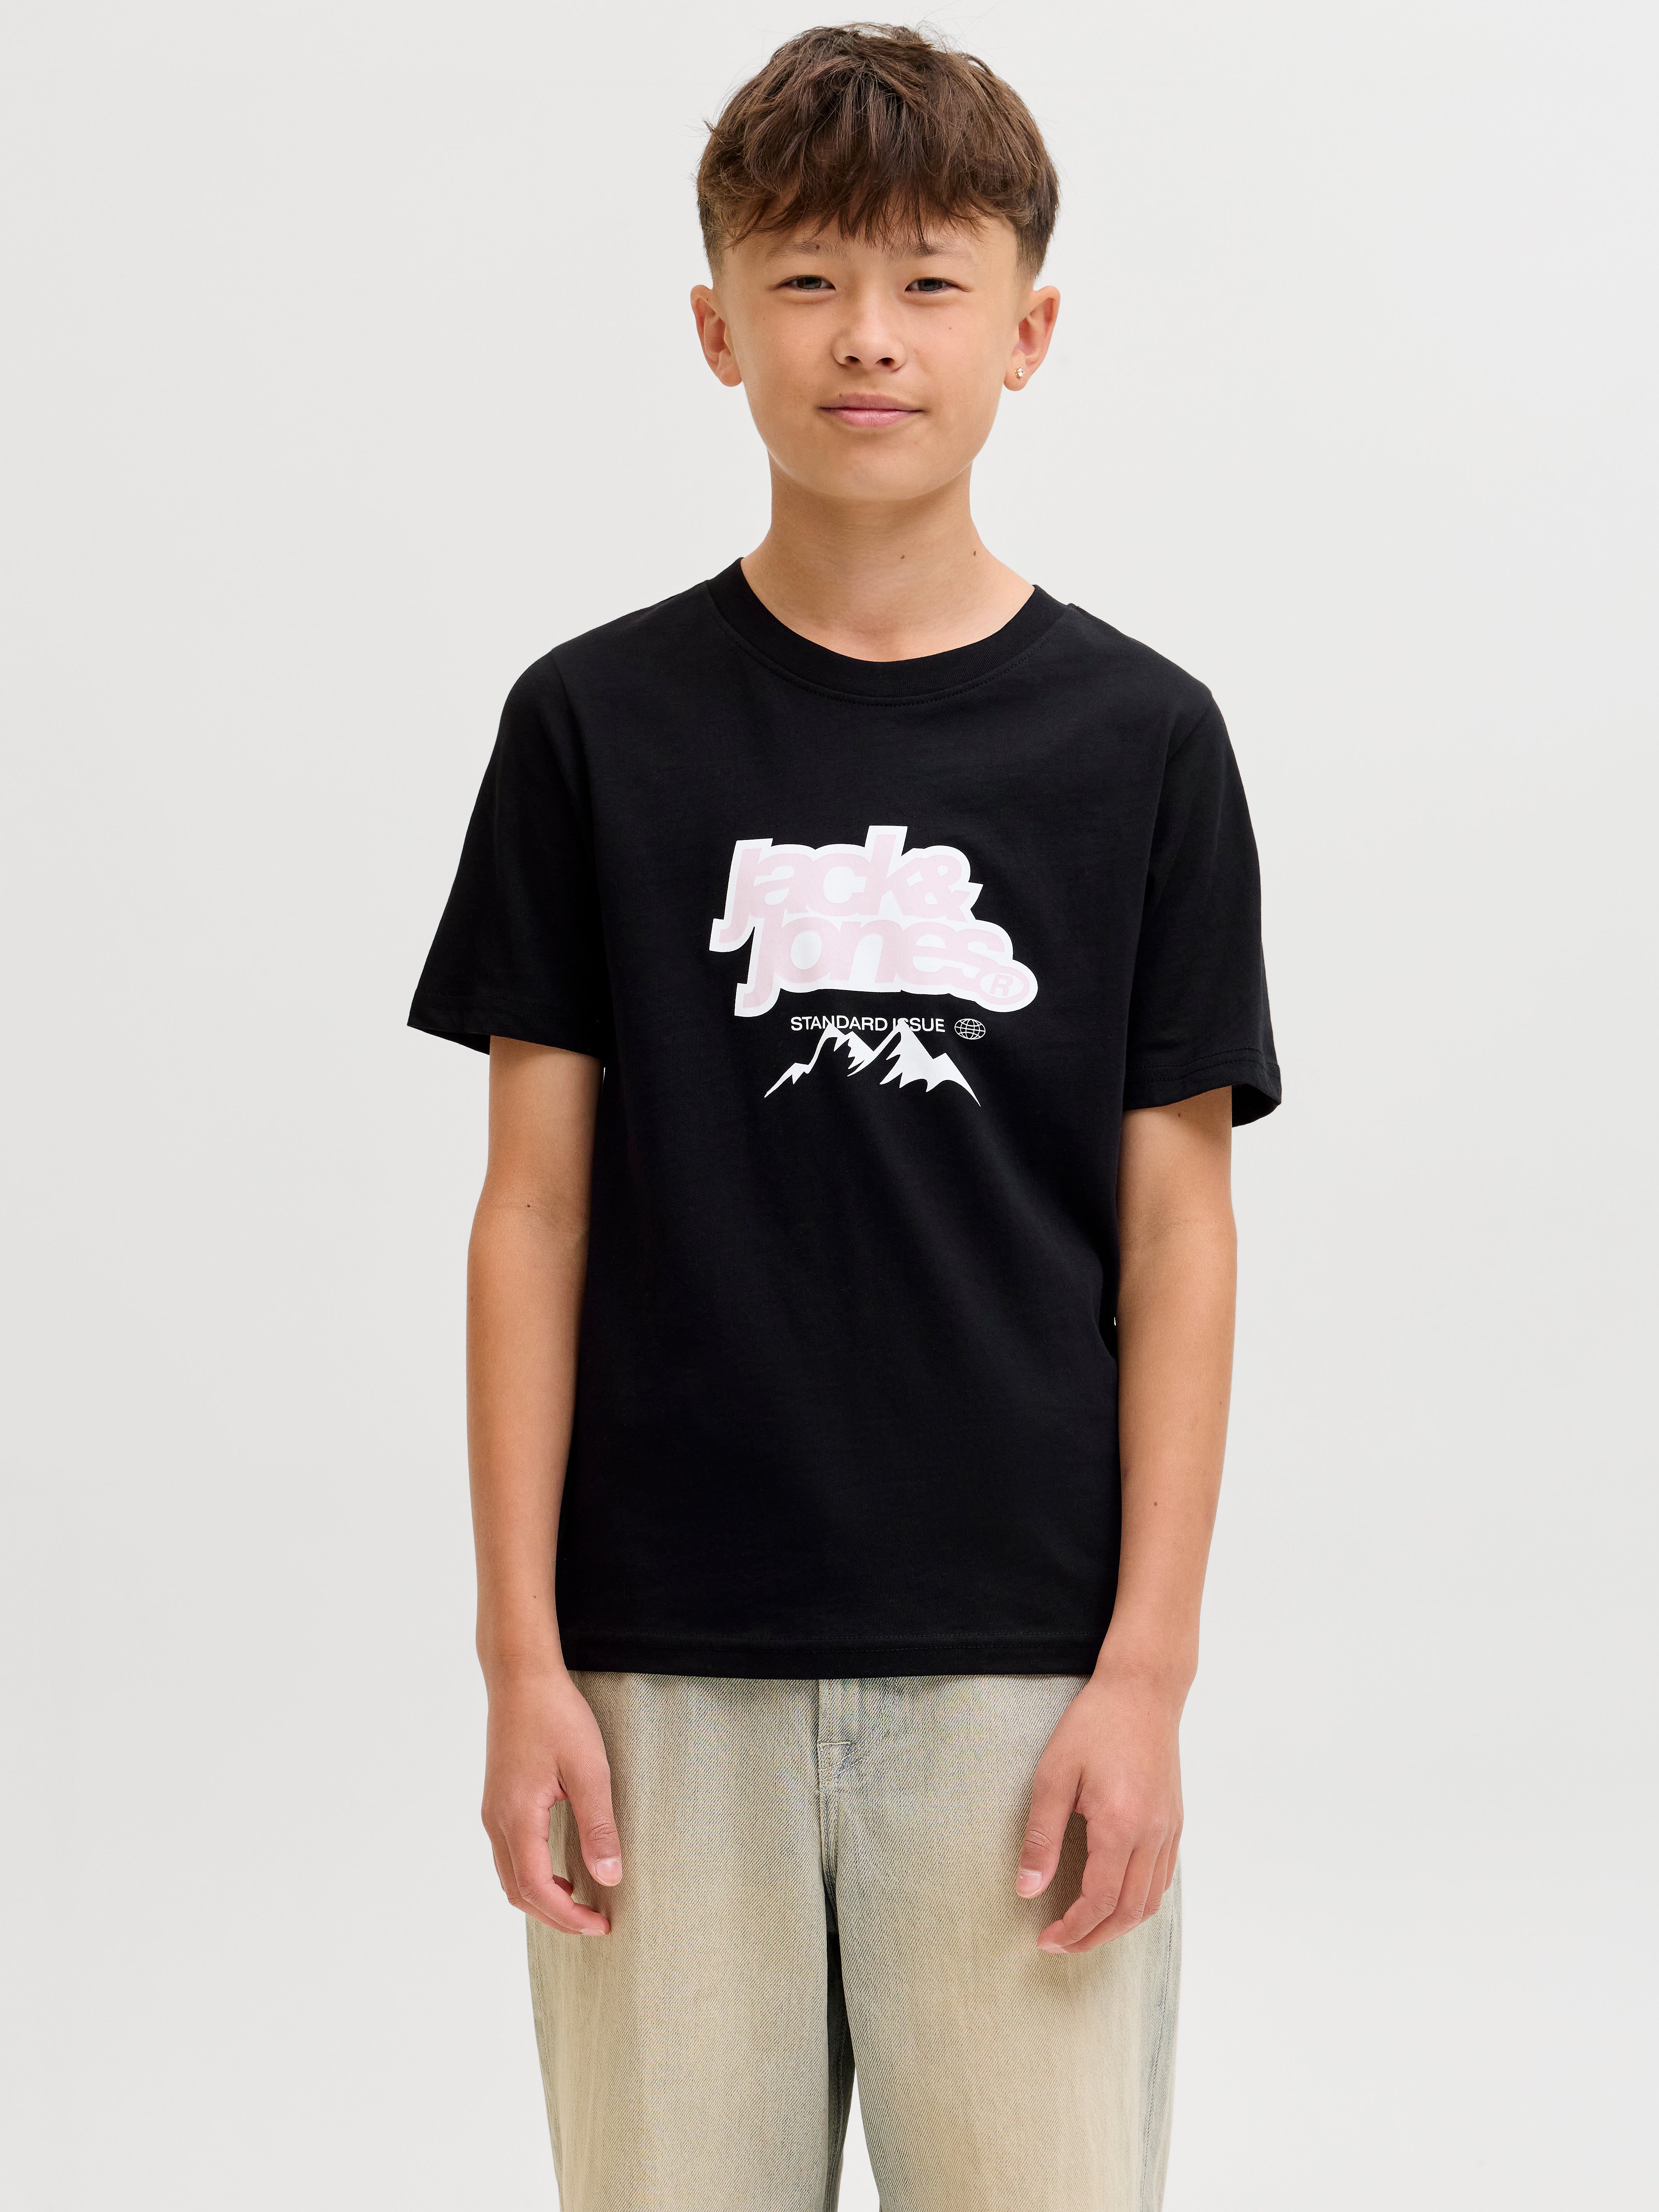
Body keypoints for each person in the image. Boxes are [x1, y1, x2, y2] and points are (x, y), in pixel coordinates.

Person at [409, 22, 1279, 2210]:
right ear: (717, 328)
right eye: (804, 279)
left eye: (926, 280)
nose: (866, 336)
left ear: (1027, 330)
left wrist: (1145, 1677)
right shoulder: (592, 726)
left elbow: (1177, 1232)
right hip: (655, 1668)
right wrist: (522, 1660)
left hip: (1022, 1666)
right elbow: (531, 1213)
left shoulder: (1142, 743)